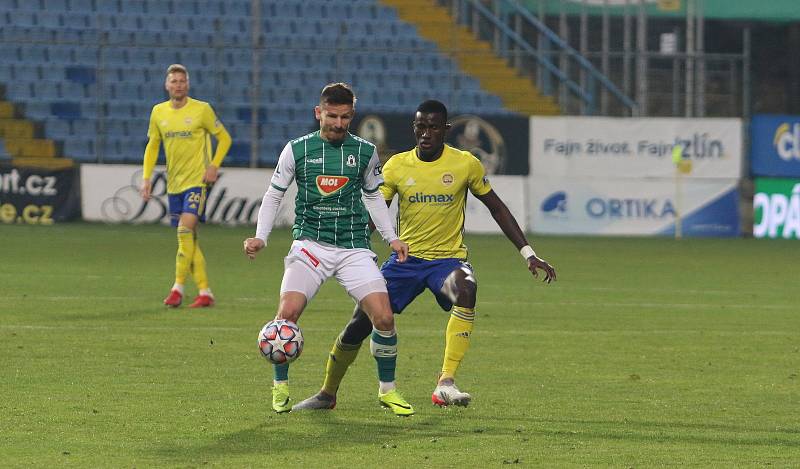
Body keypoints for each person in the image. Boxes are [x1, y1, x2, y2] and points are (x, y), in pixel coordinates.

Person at [292, 100, 557, 412]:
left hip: (447, 262)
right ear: (414, 128)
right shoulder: (396, 166)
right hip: (406, 263)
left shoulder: (465, 164)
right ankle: (327, 393)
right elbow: (373, 215)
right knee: (360, 323)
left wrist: (529, 254)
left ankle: (445, 382)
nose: (426, 133)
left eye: (433, 127)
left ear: (445, 130)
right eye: (421, 127)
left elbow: (497, 208)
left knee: (467, 289)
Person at [243, 83, 415, 416]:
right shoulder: (297, 150)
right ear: (318, 112)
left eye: (345, 117)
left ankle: (388, 391)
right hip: (310, 245)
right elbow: (273, 195)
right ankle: (280, 387)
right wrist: (261, 236)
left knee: (383, 316)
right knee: (286, 316)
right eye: (332, 116)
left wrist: (391, 237)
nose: (338, 123)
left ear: (352, 114)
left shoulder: (365, 151)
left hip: (353, 248)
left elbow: (374, 197)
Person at [140, 64, 232, 308]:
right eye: (174, 81)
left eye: (182, 81)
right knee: (189, 238)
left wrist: (213, 166)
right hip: (174, 184)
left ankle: (177, 288)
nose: (178, 85)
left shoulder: (201, 109)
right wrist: (147, 177)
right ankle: (205, 292)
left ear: (187, 84)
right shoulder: (158, 112)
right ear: (166, 85)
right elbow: (153, 146)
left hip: (197, 182)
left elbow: (225, 138)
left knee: (183, 231)